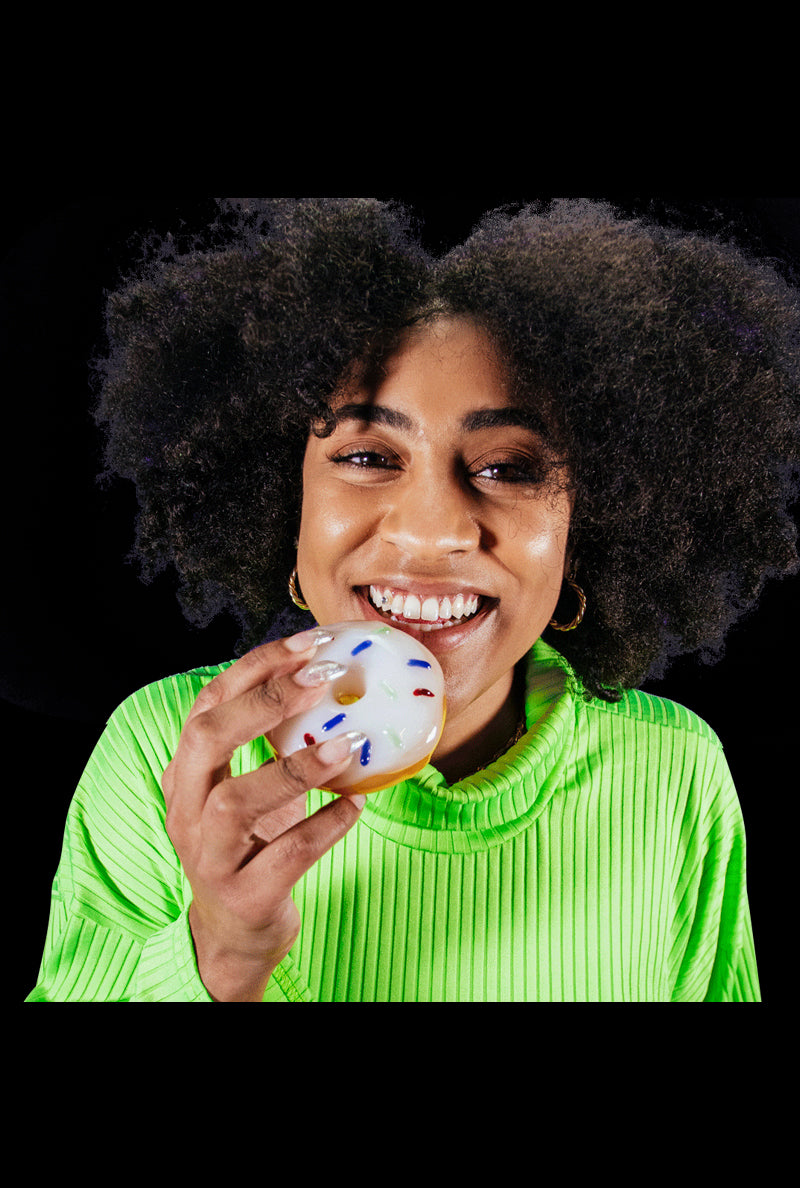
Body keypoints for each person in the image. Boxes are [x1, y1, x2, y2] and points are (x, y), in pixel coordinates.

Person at [26, 197, 799, 1002]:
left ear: (588, 528)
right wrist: (219, 955)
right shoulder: (167, 751)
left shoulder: (675, 770)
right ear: (284, 510)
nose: (432, 534)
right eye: (366, 454)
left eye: (511, 467)